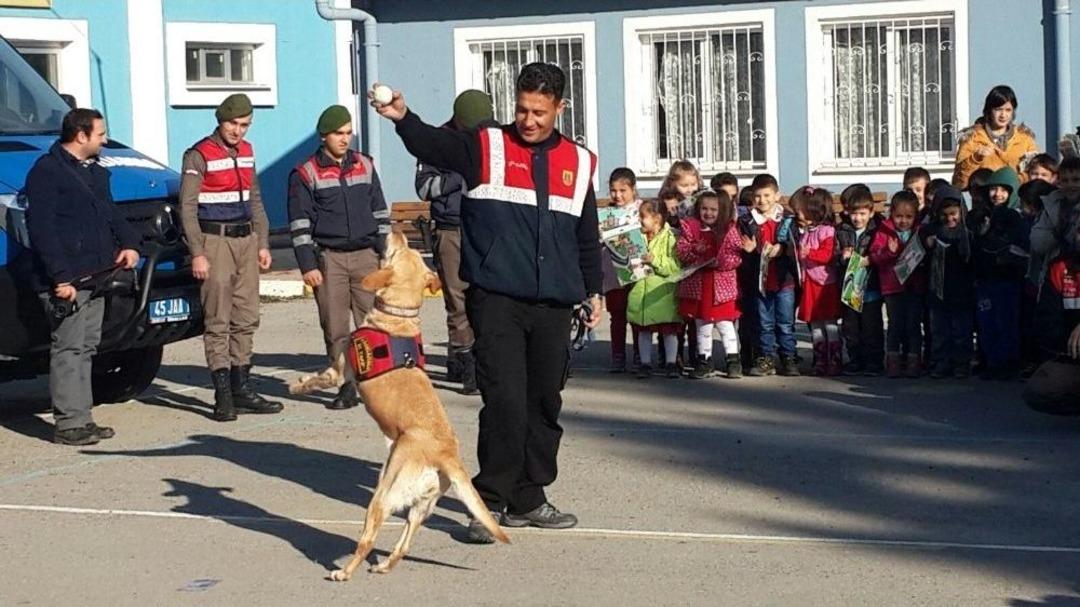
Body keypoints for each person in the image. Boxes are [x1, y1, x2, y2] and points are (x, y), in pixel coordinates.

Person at [371, 62, 603, 541]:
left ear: (560, 108)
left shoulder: (579, 161)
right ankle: (490, 501)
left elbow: (585, 233)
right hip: (497, 300)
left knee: (544, 402)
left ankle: (530, 498)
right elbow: (434, 145)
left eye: (539, 112)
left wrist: (592, 288)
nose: (528, 120)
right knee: (504, 401)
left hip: (554, 304)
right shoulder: (487, 146)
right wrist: (403, 118)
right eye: (522, 109)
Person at [24, 108, 141, 445]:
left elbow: (110, 213)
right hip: (68, 281)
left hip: (97, 274)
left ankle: (83, 418)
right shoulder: (46, 172)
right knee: (69, 348)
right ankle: (68, 424)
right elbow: (42, 230)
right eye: (100, 134)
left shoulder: (95, 172)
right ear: (81, 135)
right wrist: (60, 279)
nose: (105, 140)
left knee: (87, 347)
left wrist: (130, 244)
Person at [179, 93, 281, 422]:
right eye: (233, 124)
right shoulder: (199, 154)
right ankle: (222, 394)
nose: (238, 131)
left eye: (245, 125)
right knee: (218, 318)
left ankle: (242, 387)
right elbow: (187, 208)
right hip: (215, 240)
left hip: (246, 240)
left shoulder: (247, 152)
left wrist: (263, 242)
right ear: (220, 121)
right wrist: (197, 252)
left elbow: (255, 199)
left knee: (246, 316)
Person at [288, 104, 392, 409]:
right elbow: (299, 223)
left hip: (366, 256)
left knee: (372, 324)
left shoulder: (365, 164)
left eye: (348, 133)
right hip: (329, 259)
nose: (345, 139)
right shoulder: (305, 173)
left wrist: (385, 252)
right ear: (324, 136)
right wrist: (308, 264)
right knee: (335, 328)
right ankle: (346, 385)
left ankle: (376, 382)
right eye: (338, 133)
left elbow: (380, 211)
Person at [413, 90, 494, 394]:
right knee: (457, 300)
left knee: (488, 299)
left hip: (488, 227)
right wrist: (459, 177)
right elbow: (424, 188)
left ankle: (479, 358)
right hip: (451, 229)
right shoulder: (437, 141)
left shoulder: (495, 136)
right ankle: (466, 364)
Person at [675, 189, 743, 379]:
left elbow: (736, 256)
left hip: (721, 286)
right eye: (704, 208)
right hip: (699, 286)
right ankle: (705, 360)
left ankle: (733, 359)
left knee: (725, 324)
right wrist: (695, 250)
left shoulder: (729, 230)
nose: (709, 213)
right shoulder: (691, 228)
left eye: (714, 209)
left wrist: (720, 263)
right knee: (702, 325)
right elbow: (681, 252)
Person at [739, 174, 800, 376]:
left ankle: (789, 357)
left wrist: (782, 248)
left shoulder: (787, 219)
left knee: (785, 322)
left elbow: (796, 243)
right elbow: (742, 248)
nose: (762, 200)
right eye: (758, 196)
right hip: (760, 281)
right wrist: (750, 250)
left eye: (767, 195)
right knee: (764, 323)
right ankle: (766, 358)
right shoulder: (747, 220)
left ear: (777, 196)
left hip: (784, 280)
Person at [970, 167, 1027, 379]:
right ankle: (991, 361)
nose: (998, 194)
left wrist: (994, 240)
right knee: (987, 322)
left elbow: (1017, 246)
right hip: (985, 280)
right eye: (993, 189)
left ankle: (1007, 363)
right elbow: (975, 247)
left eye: (1004, 190)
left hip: (1007, 279)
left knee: (1006, 322)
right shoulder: (981, 215)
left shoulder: (1014, 217)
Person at [870, 191, 926, 378]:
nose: (903, 221)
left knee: (913, 325)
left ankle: (913, 361)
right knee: (895, 325)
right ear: (891, 214)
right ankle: (893, 361)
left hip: (915, 286)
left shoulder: (919, 231)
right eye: (899, 216)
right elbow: (875, 257)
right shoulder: (884, 231)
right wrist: (889, 252)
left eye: (909, 217)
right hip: (892, 287)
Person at [922, 186, 975, 379]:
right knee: (939, 331)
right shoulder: (930, 231)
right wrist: (927, 244)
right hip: (937, 290)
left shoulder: (967, 232)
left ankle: (961, 363)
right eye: (944, 215)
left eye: (953, 214)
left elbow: (972, 259)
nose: (949, 219)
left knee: (961, 330)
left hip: (962, 291)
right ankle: (941, 362)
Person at [628, 200, 683, 378]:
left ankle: (671, 363)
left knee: (669, 331)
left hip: (662, 294)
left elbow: (675, 266)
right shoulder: (636, 237)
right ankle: (645, 363)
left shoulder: (671, 237)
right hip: (641, 292)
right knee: (643, 330)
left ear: (657, 219)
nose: (639, 220)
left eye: (642, 217)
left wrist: (655, 260)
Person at [792, 187, 843, 376]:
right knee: (814, 323)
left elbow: (828, 255)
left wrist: (810, 253)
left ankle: (834, 358)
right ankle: (820, 358)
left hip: (825, 284)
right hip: (810, 283)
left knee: (829, 322)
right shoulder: (807, 232)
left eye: (801, 210)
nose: (798, 214)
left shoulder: (827, 231)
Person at [837, 187, 885, 375]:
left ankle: (874, 362)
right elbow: (834, 254)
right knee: (851, 328)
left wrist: (870, 259)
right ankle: (855, 360)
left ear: (871, 212)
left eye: (862, 214)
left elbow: (883, 253)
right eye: (854, 214)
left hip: (871, 288)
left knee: (871, 328)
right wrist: (842, 256)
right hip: (850, 288)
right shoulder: (842, 231)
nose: (857, 218)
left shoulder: (877, 230)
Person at [953, 85, 1039, 189]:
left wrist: (1011, 182)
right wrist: (975, 158)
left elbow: (1036, 175)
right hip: (984, 197)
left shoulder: (1025, 139)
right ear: (989, 110)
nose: (1003, 115)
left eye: (1008, 110)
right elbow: (959, 183)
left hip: (1018, 197)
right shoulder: (972, 139)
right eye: (998, 109)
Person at [601, 167, 643, 373]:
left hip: (637, 270)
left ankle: (639, 354)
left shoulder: (643, 210)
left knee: (637, 314)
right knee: (617, 315)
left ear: (633, 189)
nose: (617, 195)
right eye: (613, 190)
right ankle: (618, 355)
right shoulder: (606, 214)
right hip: (613, 272)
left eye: (622, 190)